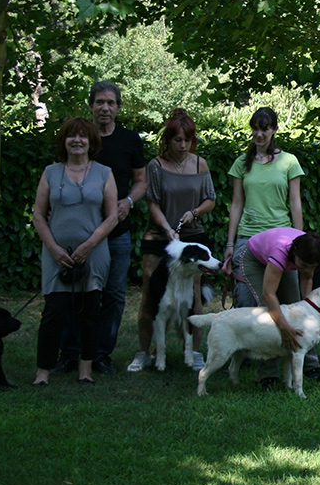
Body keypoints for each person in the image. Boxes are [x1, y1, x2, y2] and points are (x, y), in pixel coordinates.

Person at [54, 81, 146, 375]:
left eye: (111, 103)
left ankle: (101, 355)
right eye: (99, 102)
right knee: (74, 292)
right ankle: (70, 354)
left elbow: (141, 181)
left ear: (118, 107)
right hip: (81, 230)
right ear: (91, 105)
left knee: (114, 295)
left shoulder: (130, 140)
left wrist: (128, 201)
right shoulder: (80, 139)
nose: (105, 108)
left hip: (117, 230)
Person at [221, 107, 306, 386]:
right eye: (255, 128)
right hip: (248, 240)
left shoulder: (289, 162)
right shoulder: (241, 163)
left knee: (293, 302)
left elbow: (295, 202)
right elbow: (236, 204)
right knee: (253, 303)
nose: (259, 134)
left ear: (274, 130)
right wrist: (231, 243)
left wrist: (300, 240)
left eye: (265, 128)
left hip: (283, 240)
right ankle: (259, 365)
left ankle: (308, 361)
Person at [31, 118, 120, 385]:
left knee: (91, 312)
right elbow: (37, 215)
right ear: (64, 142)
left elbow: (112, 216)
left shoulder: (104, 173)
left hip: (93, 253)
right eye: (71, 136)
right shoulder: (50, 172)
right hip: (56, 254)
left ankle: (85, 371)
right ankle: (42, 374)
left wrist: (89, 245)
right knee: (53, 314)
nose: (77, 140)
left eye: (83, 136)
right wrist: (55, 249)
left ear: (92, 142)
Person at [129, 108, 217, 373]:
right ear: (168, 139)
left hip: (192, 237)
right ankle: (144, 352)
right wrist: (167, 229)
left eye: (187, 140)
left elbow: (210, 199)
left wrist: (194, 213)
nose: (183, 145)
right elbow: (153, 203)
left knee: (193, 297)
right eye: (177, 140)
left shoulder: (200, 163)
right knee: (151, 296)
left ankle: (194, 351)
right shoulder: (155, 165)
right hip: (158, 237)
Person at [239, 227, 320, 357]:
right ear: (295, 252)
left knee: (296, 307)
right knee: (267, 314)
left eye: (311, 267)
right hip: (255, 259)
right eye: (303, 265)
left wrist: (308, 309)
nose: (307, 269)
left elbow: (307, 277)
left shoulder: (311, 253)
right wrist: (284, 327)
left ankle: (310, 363)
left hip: (286, 261)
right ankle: (268, 371)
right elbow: (268, 294)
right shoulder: (281, 252)